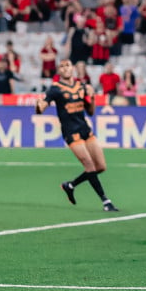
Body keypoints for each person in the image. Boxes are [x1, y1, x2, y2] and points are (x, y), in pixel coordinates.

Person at [36, 59, 119, 212]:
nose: (65, 68)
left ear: (72, 68)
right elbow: (41, 109)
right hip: (70, 132)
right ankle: (106, 201)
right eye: (62, 66)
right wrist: (39, 106)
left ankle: (70, 185)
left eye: (67, 65)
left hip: (84, 129)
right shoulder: (55, 89)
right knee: (89, 165)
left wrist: (92, 97)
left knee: (100, 167)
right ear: (59, 71)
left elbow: (91, 112)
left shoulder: (82, 87)